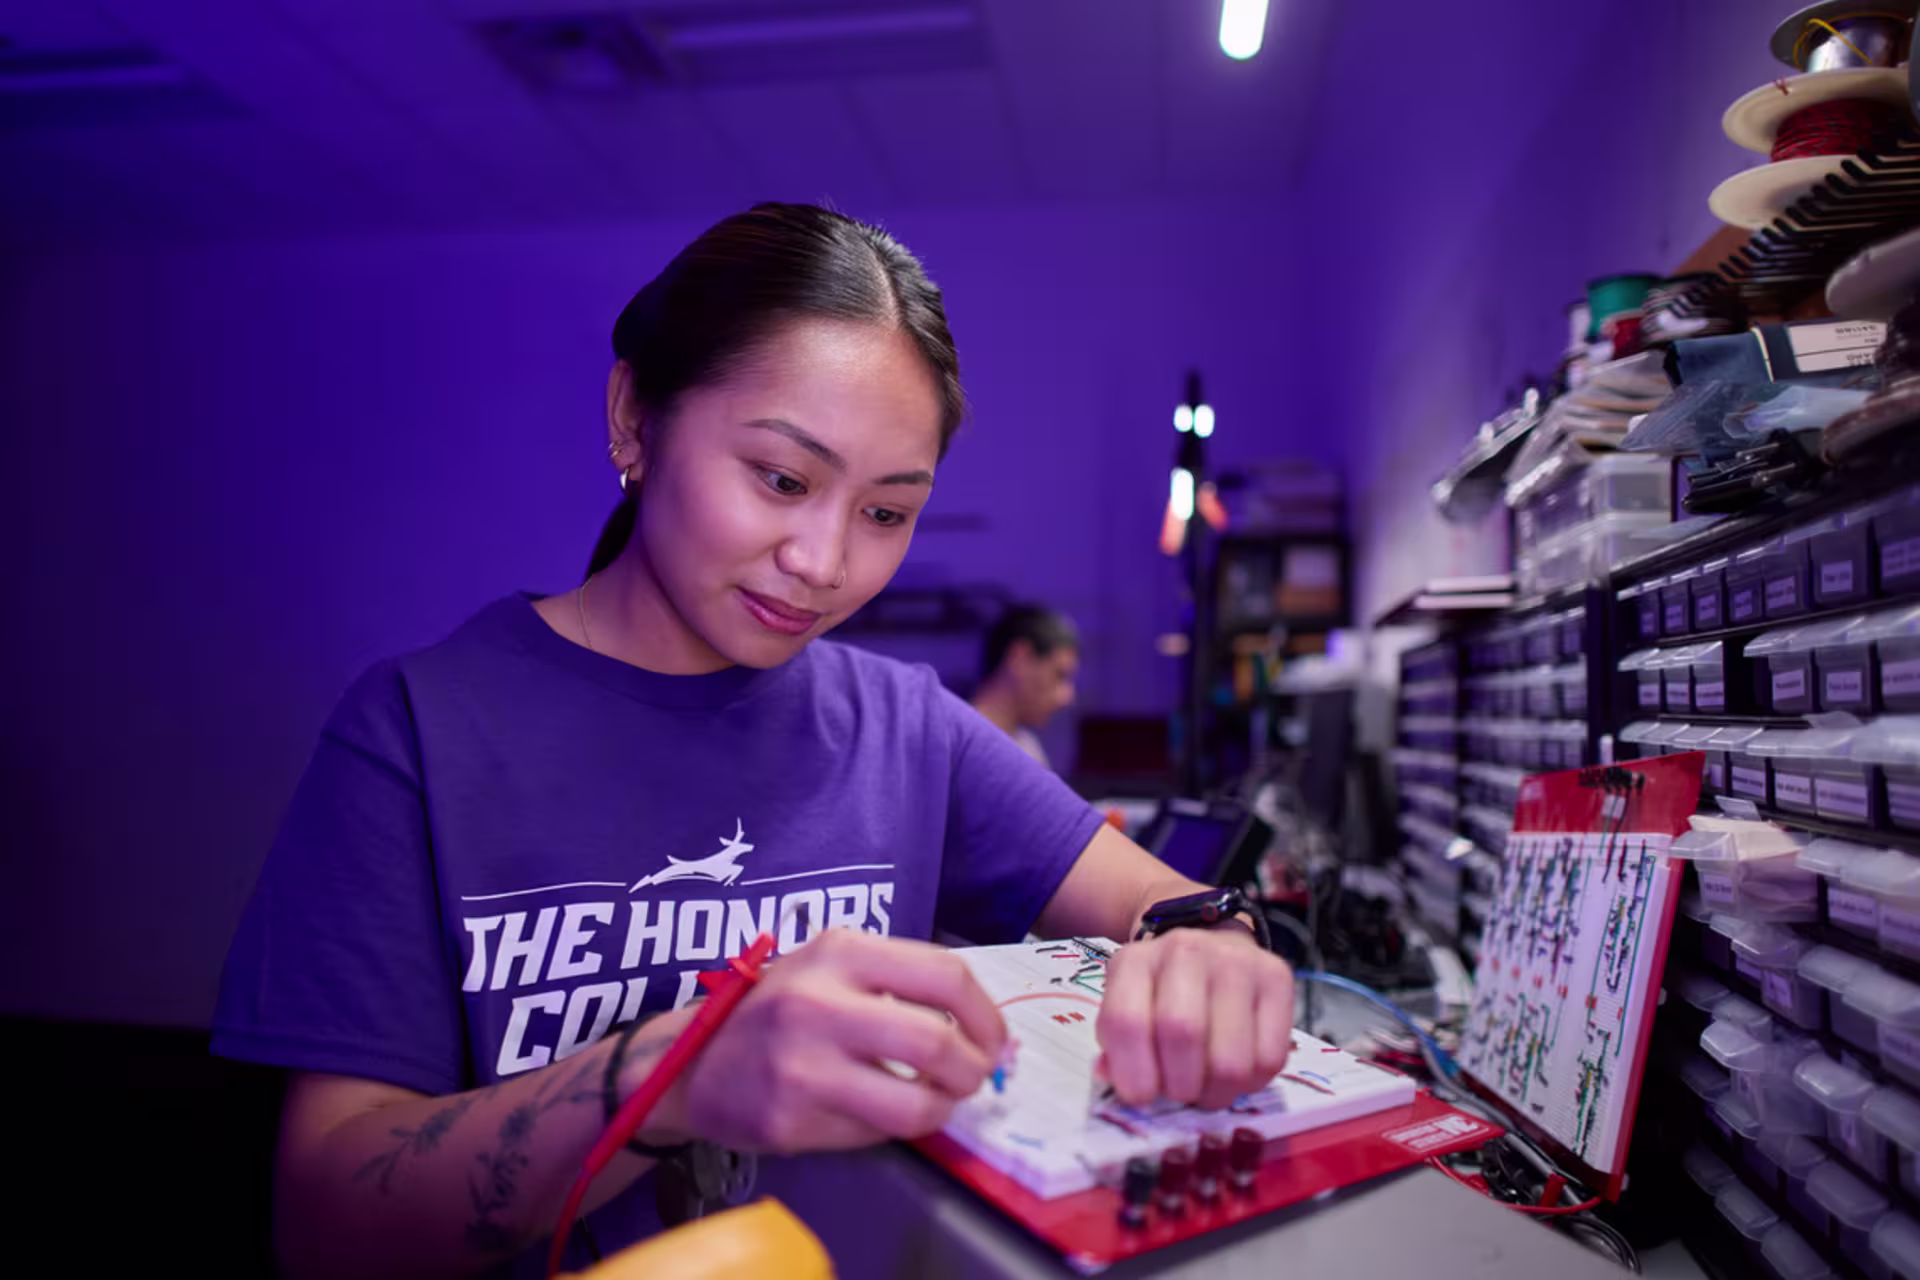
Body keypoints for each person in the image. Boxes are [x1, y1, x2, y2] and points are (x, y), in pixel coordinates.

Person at [211, 203, 1295, 1280]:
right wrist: (678, 1070)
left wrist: (1216, 947)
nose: (825, 562)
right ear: (635, 416)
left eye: (885, 513)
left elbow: (1170, 904)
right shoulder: (417, 733)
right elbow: (326, 1219)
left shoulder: (905, 728)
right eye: (782, 479)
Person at [970, 603, 1078, 769]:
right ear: (1020, 658)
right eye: (1059, 675)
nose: (1067, 697)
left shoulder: (1028, 748)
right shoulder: (959, 745)